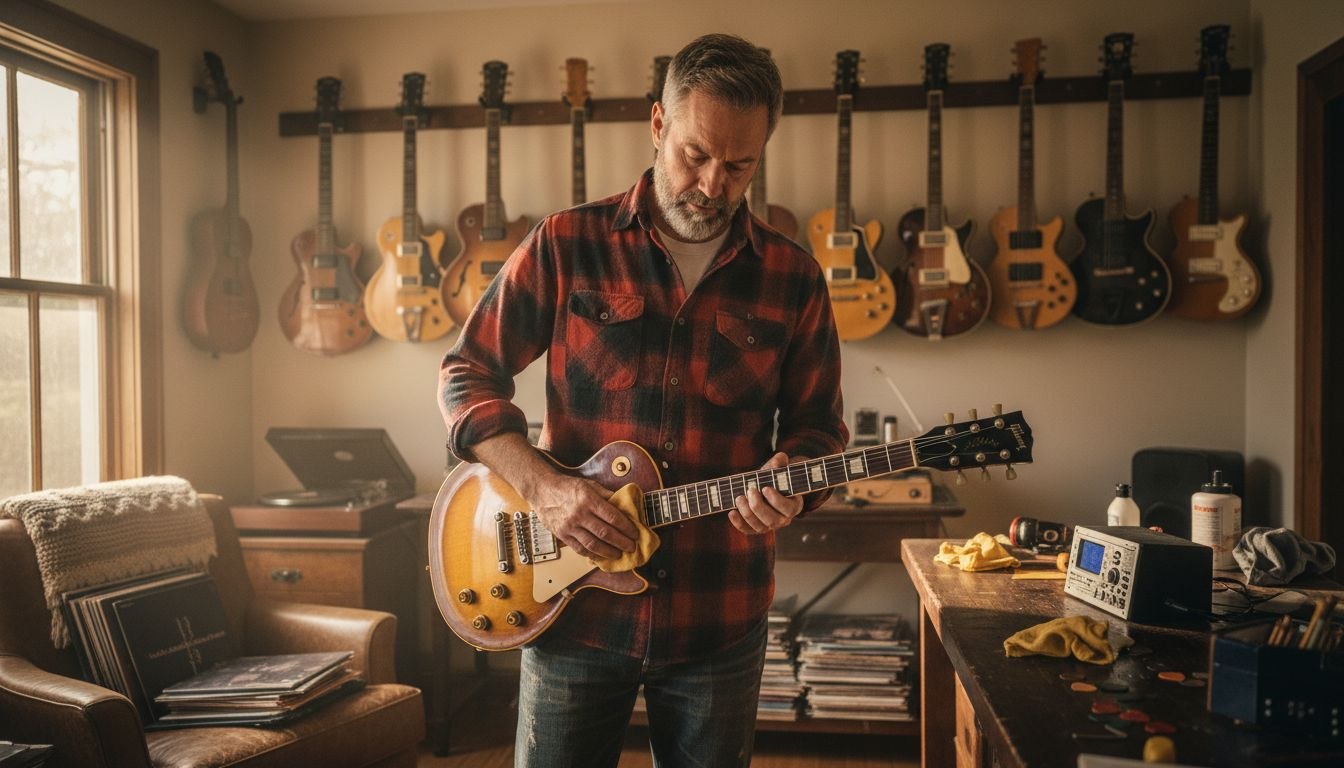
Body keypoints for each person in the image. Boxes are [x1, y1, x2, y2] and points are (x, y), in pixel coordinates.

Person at [438, 33, 847, 768]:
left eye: (740, 165)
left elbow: (819, 427)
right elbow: (466, 374)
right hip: (573, 614)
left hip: (719, 618)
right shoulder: (566, 243)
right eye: (696, 154)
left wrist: (793, 483)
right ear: (659, 124)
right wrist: (545, 487)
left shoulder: (794, 278)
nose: (714, 184)